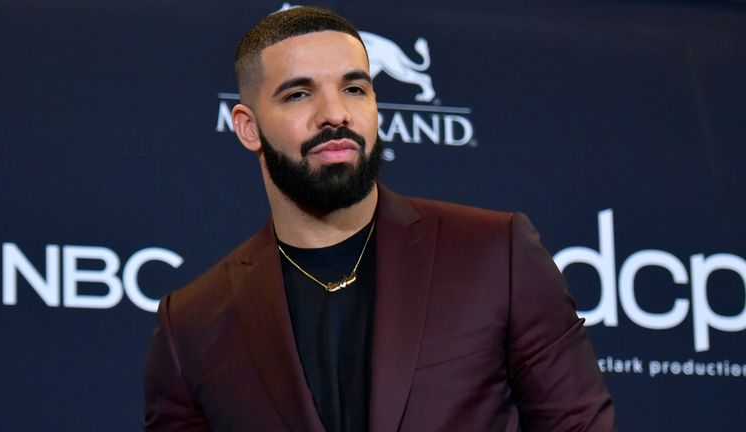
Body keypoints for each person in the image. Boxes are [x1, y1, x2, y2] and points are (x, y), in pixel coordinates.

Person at [143, 6, 615, 432]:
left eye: (354, 88)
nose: (335, 114)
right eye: (298, 95)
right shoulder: (192, 326)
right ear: (248, 127)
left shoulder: (496, 254)